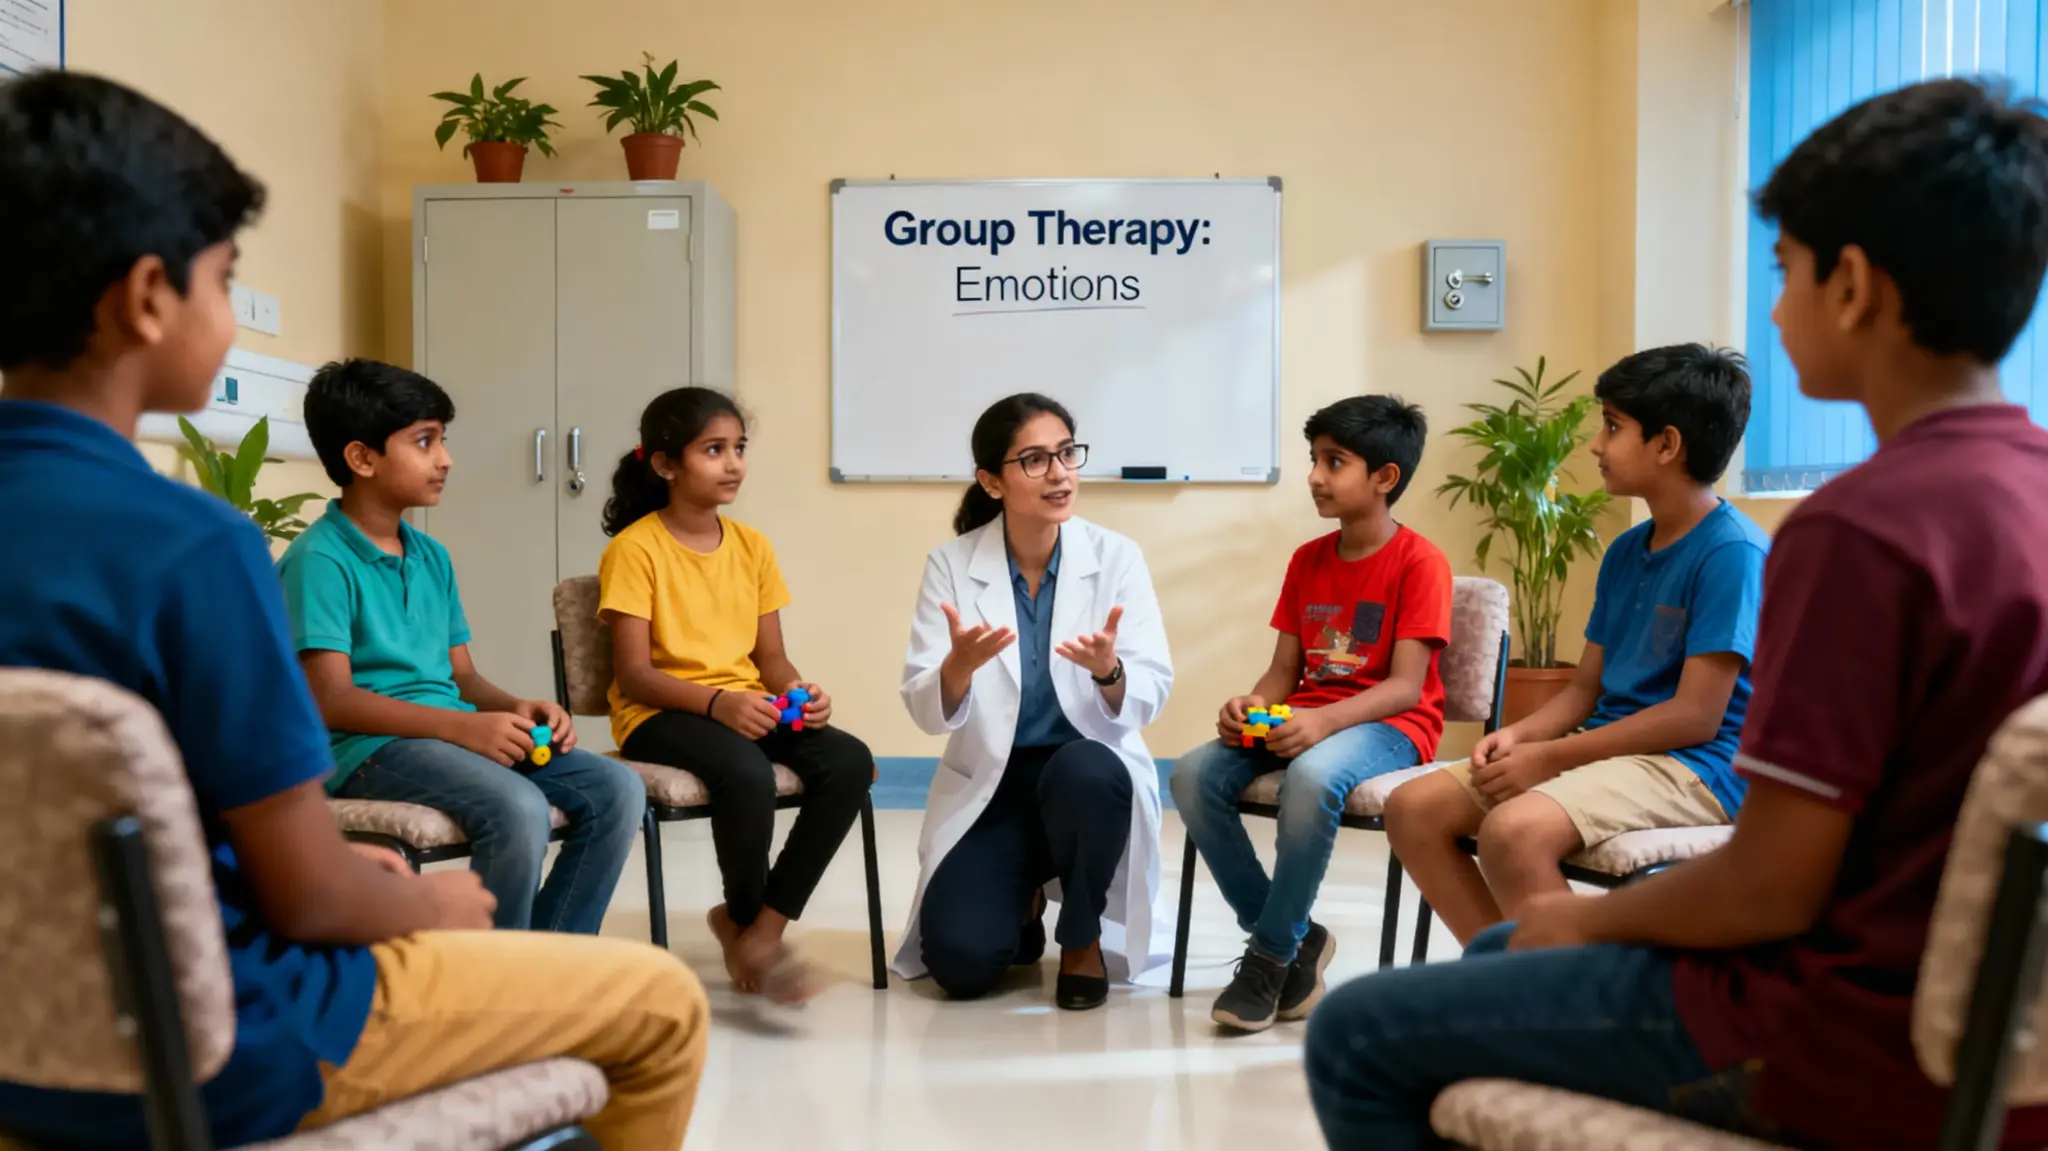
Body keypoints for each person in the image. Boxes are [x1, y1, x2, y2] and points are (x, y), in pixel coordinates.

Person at [1306, 77, 2048, 1151]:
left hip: (1835, 1030)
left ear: (1852, 284)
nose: (1774, 309)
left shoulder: (1858, 529)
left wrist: (1587, 921)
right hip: (1989, 1035)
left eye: (1783, 270)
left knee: (1357, 1031)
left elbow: (1767, 886)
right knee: (1499, 951)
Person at [0, 71, 705, 1148]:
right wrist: (427, 907)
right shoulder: (195, 546)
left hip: (30, 1044)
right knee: (660, 1004)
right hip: (227, 1040)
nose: (230, 313)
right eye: (224, 278)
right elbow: (311, 901)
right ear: (147, 296)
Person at [1383, 342, 1768, 944]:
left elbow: (1694, 717)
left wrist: (1551, 759)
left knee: (1513, 833)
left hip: (1699, 765)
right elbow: (1585, 688)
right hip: (1615, 747)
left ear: (1666, 445)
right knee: (1413, 810)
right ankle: (1511, 980)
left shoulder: (1732, 553)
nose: (1595, 444)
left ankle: (1573, 995)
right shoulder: (1627, 550)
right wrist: (1521, 737)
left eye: (1612, 426)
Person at [279, 358, 646, 935]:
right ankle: (492, 973)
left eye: (442, 440)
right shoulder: (319, 560)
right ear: (362, 458)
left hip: (445, 734)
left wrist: (515, 707)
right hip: (366, 750)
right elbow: (332, 700)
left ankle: (551, 958)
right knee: (516, 807)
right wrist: (462, 728)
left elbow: (462, 678)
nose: (445, 459)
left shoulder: (431, 556)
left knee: (618, 789)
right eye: (425, 441)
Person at [1170, 396, 1451, 1033]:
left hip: (1391, 727)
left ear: (1385, 477)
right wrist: (1252, 705)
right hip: (1305, 715)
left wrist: (1323, 723)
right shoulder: (1307, 560)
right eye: (1314, 460)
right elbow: (1283, 673)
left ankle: (1269, 958)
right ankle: (1298, 940)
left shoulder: (1421, 563)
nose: (1315, 476)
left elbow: (1406, 688)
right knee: (1191, 775)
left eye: (1335, 462)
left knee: (1313, 777)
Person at [894, 393, 1174, 1011]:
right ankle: (1021, 897)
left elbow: (1150, 689)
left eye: (1067, 454)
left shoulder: (1116, 557)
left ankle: (1081, 935)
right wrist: (957, 668)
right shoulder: (951, 564)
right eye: (1035, 460)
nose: (1059, 473)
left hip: (1084, 778)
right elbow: (923, 706)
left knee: (1087, 769)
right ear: (991, 481)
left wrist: (1110, 673)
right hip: (992, 782)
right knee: (960, 967)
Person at [599, 385, 876, 1004]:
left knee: (849, 760)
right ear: (666, 464)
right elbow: (635, 674)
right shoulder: (634, 549)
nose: (733, 464)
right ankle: (747, 918)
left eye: (739, 448)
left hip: (743, 704)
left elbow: (769, 659)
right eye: (713, 450)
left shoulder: (753, 547)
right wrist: (716, 704)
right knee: (746, 772)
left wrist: (796, 688)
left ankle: (760, 929)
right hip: (659, 713)